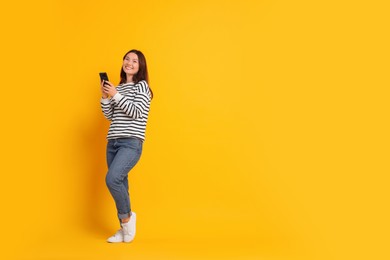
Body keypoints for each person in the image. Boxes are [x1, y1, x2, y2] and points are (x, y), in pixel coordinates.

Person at [100, 49, 153, 243]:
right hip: (112, 142)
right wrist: (106, 97)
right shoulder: (119, 88)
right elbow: (110, 116)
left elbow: (136, 112)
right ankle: (123, 230)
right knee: (121, 183)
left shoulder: (142, 87)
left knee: (112, 179)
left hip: (131, 142)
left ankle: (127, 219)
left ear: (141, 67)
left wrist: (115, 95)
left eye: (135, 61)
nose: (129, 63)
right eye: (127, 59)